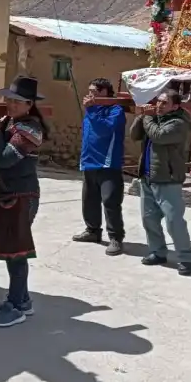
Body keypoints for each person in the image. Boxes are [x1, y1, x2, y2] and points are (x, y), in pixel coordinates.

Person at [0, 76, 48, 328]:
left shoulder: (31, 129)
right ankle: (24, 299)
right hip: (9, 194)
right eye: (9, 99)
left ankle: (16, 305)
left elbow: (5, 159)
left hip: (21, 196)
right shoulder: (11, 123)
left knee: (16, 253)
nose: (11, 104)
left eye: (17, 101)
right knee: (11, 252)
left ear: (29, 104)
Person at [130, 89, 191, 276]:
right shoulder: (153, 119)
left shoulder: (179, 123)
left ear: (175, 106)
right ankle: (157, 252)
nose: (159, 105)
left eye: (164, 103)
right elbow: (135, 135)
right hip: (148, 177)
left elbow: (159, 136)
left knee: (174, 222)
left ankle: (186, 257)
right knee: (148, 219)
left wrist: (147, 118)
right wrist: (140, 117)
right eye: (158, 101)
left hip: (168, 179)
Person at [72, 78, 127, 255]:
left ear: (104, 92)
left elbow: (105, 129)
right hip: (89, 162)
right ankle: (92, 231)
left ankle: (116, 237)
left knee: (111, 201)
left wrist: (91, 111)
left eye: (94, 91)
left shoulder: (116, 110)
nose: (90, 94)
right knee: (89, 200)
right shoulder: (92, 109)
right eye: (89, 91)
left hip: (108, 164)